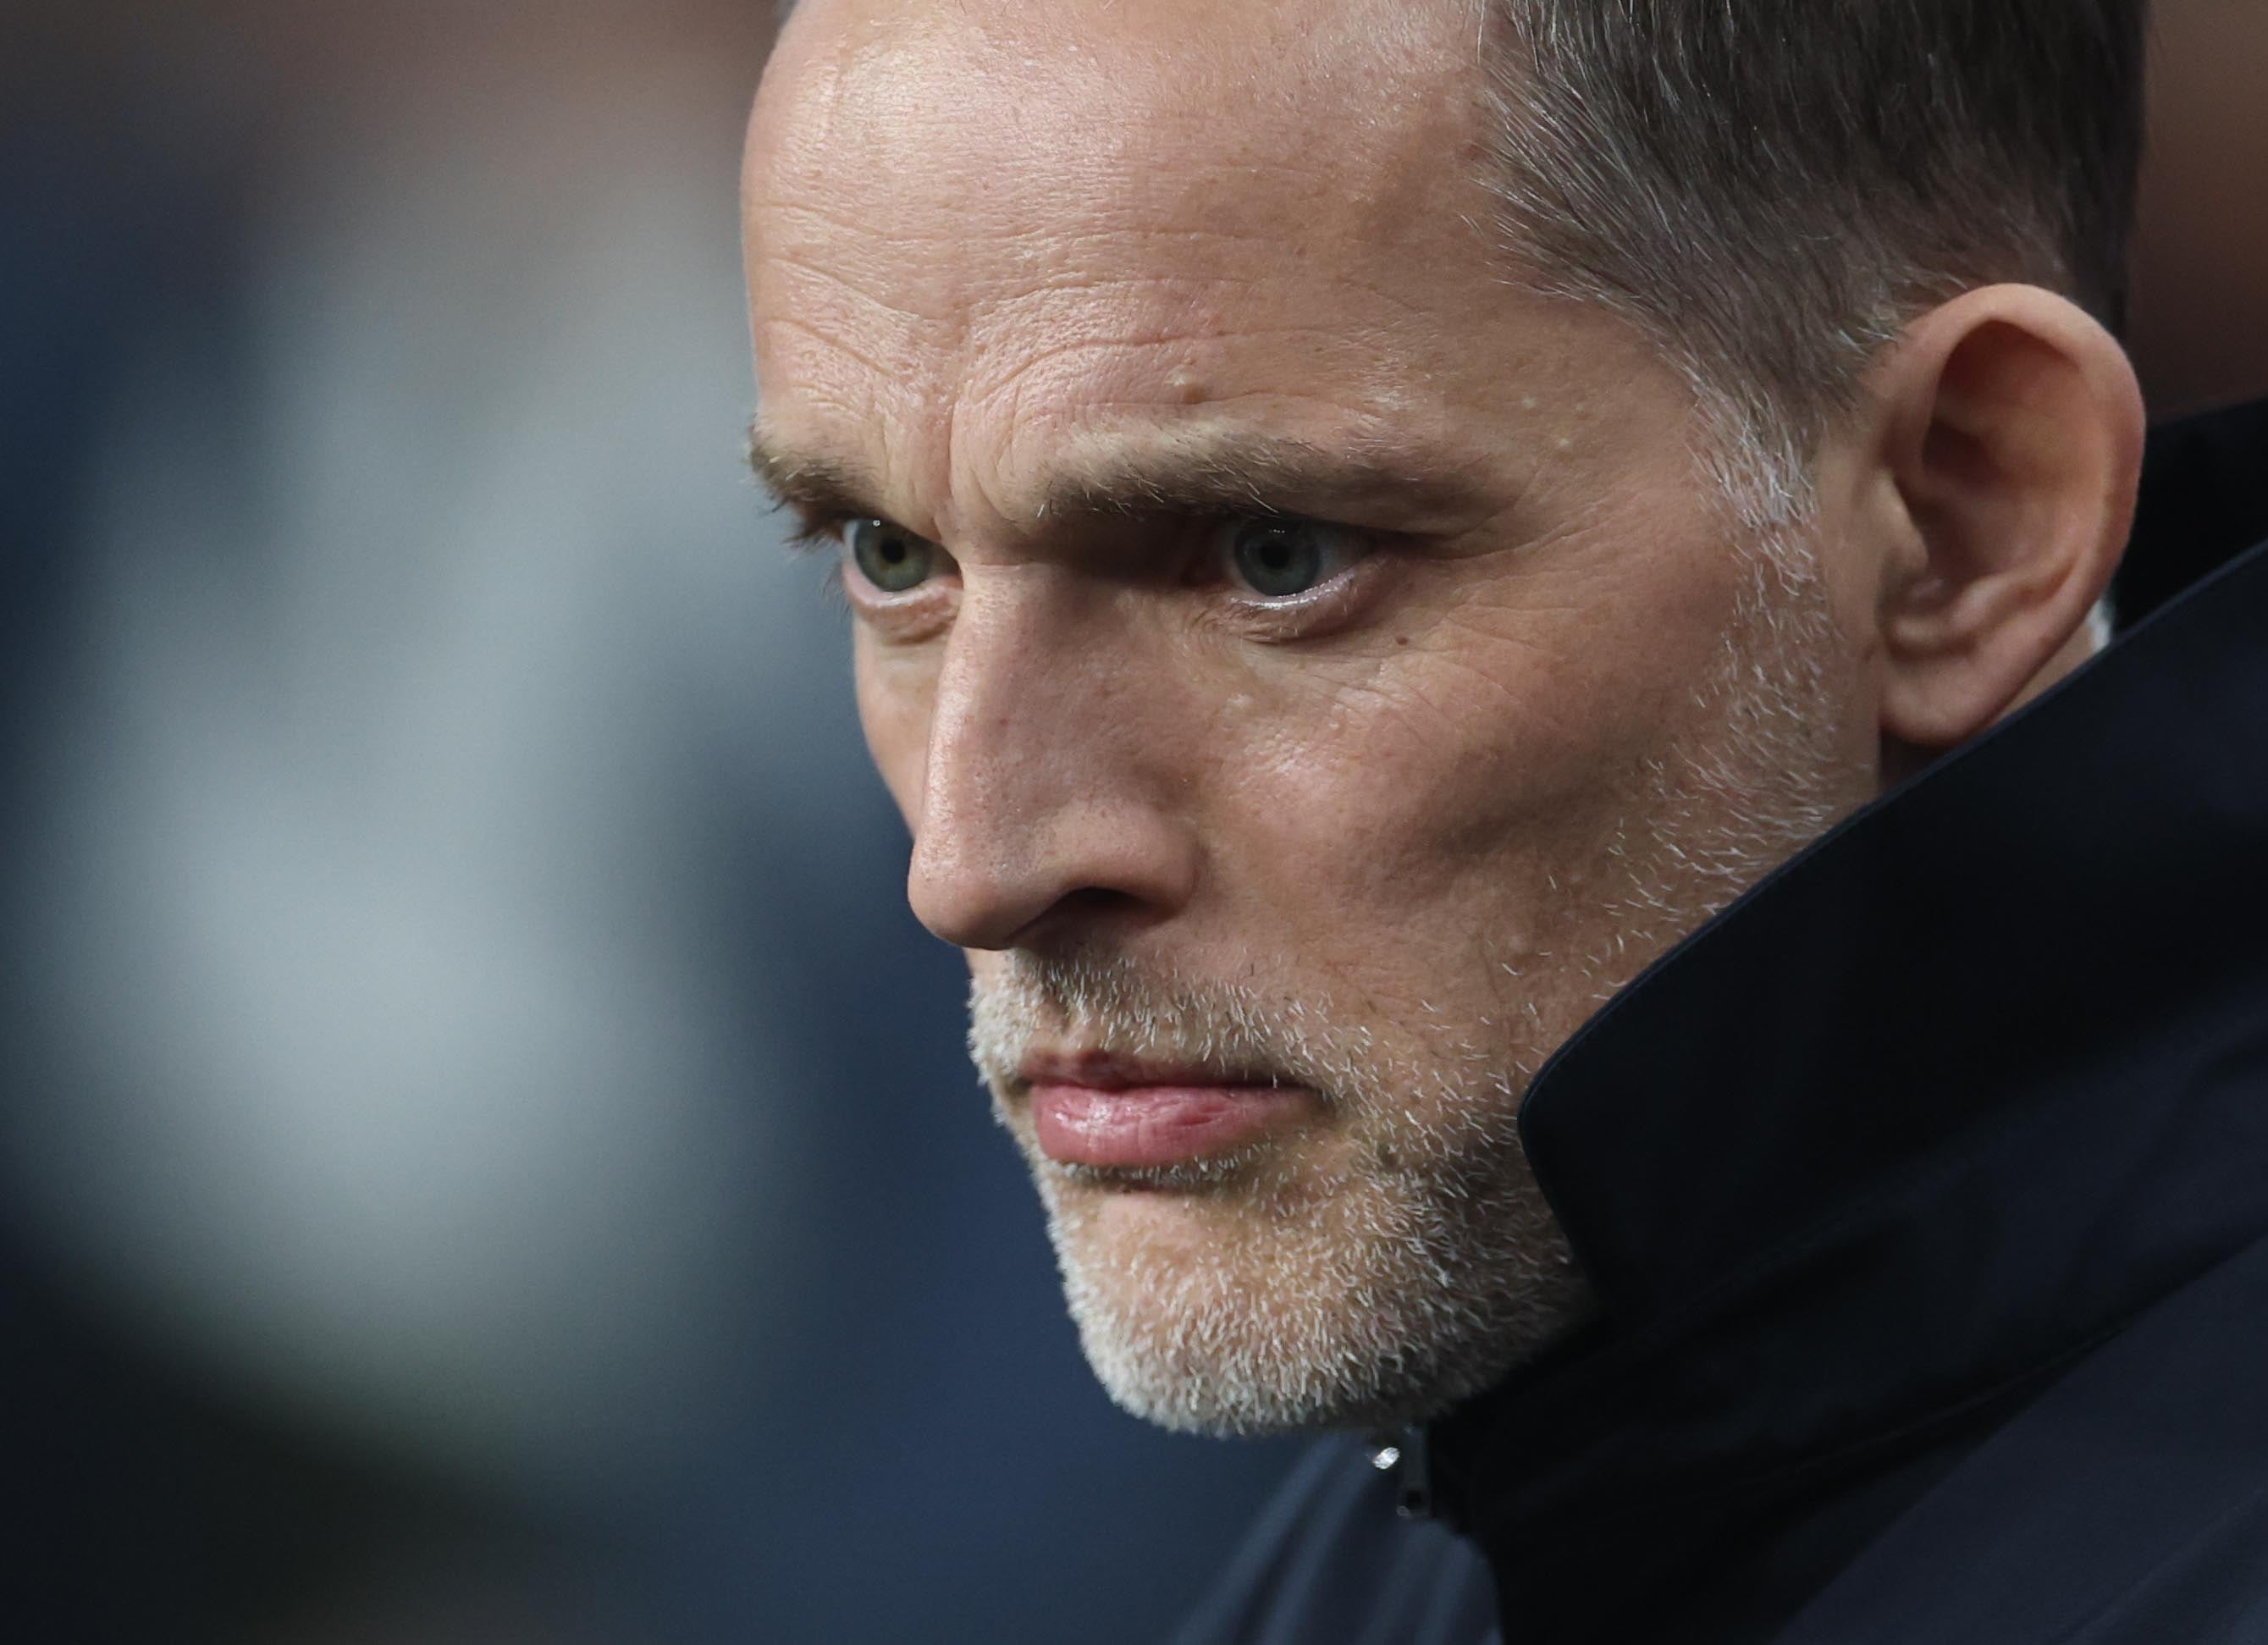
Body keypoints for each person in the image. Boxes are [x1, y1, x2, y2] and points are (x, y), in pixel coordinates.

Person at [740, 0, 2268, 1638]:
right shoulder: (1497, 1460)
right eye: (890, 557)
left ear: (1961, 522)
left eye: (1274, 556)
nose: (970, 863)